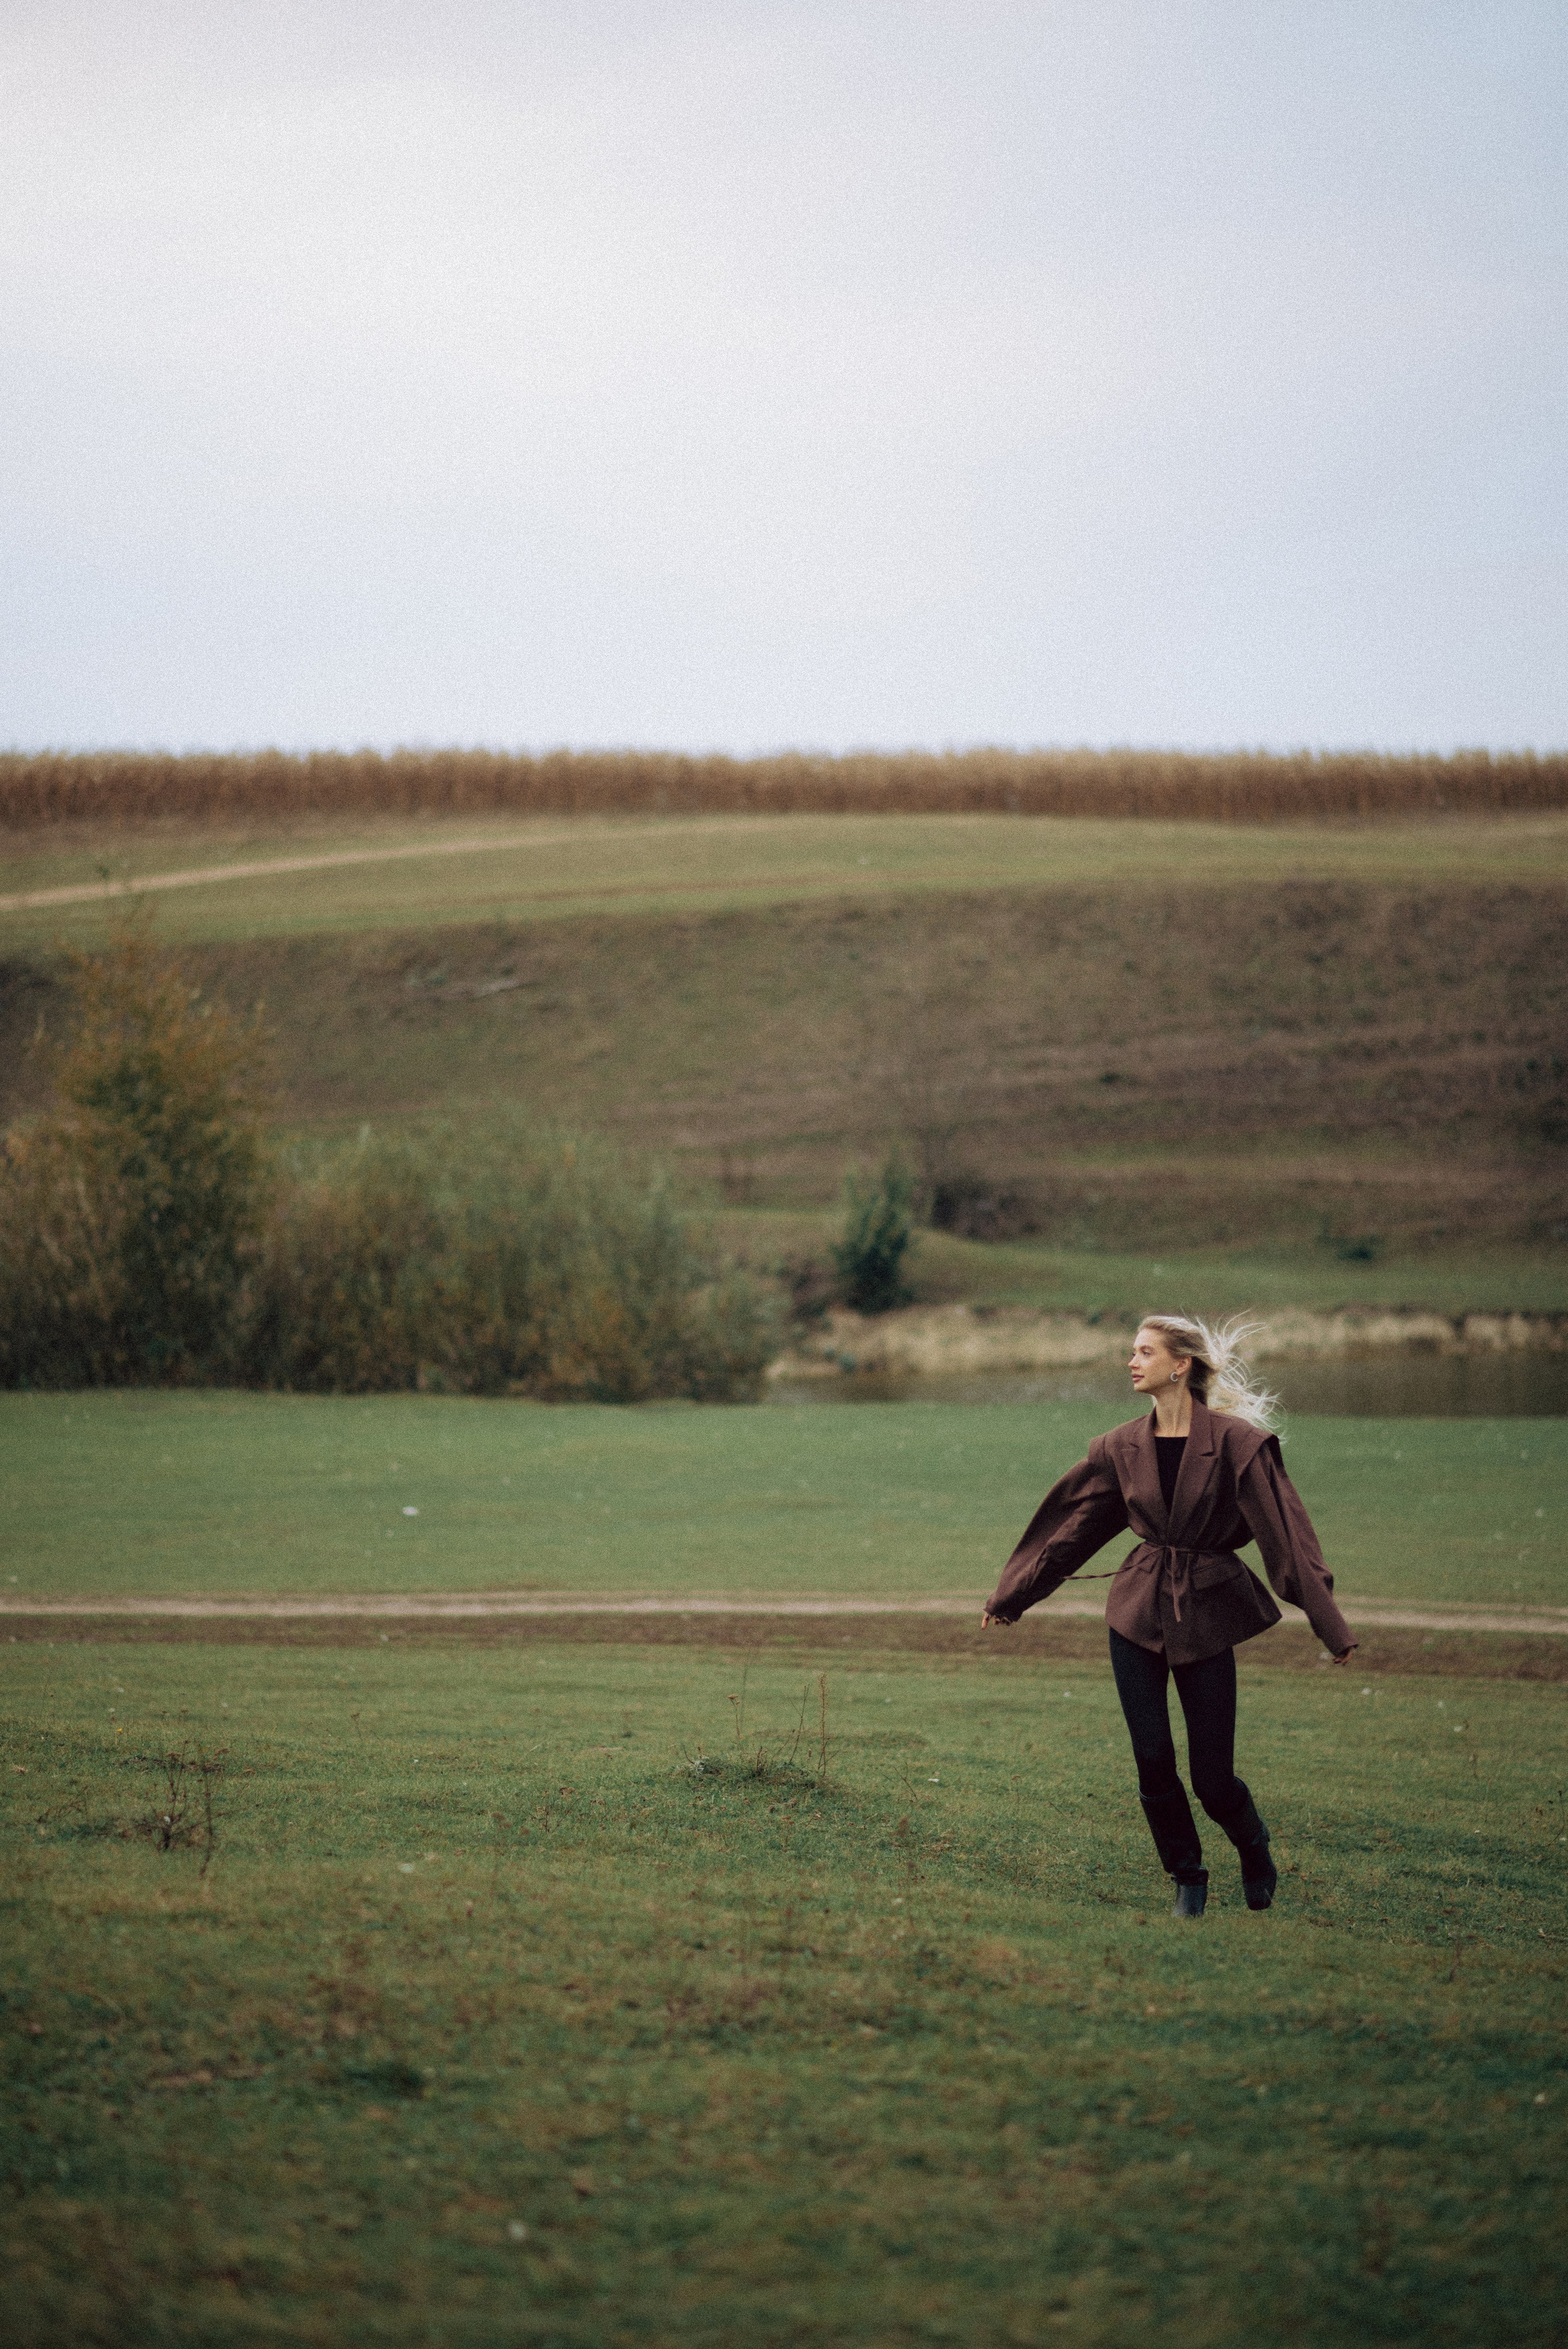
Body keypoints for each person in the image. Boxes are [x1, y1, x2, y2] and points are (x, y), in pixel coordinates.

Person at [981, 1315, 1358, 1918]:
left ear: (1181, 1364)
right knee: (1153, 1758)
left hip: (1207, 1614)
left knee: (1213, 1779)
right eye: (1131, 1351)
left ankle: (1253, 1846)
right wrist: (1012, 1596)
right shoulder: (1120, 1446)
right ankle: (1187, 1876)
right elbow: (1073, 1528)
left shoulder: (1237, 1444)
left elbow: (1286, 1537)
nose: (1131, 1362)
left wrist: (1330, 1627)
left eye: (1144, 1351)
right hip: (1136, 1611)